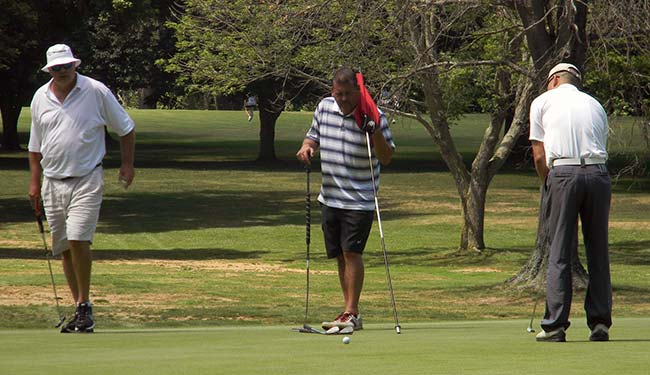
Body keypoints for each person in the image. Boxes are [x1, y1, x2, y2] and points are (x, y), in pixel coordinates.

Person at [28, 44, 136, 333]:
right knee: (63, 247)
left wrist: (127, 166)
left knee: (78, 238)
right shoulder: (40, 96)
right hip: (52, 181)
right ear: (49, 70)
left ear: (75, 65)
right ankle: (79, 308)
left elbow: (125, 128)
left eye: (66, 66)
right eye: (56, 68)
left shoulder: (95, 90)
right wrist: (34, 182)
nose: (62, 71)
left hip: (87, 177)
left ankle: (85, 304)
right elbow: (35, 147)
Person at [296, 67, 395, 331]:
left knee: (352, 252)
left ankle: (352, 312)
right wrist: (307, 147)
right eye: (338, 94)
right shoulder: (324, 107)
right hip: (329, 196)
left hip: (360, 197)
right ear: (332, 91)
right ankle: (347, 310)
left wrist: (373, 131)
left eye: (348, 94)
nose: (342, 100)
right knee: (340, 254)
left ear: (358, 91)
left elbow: (386, 157)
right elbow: (313, 136)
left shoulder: (374, 116)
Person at [529, 63, 612, 342]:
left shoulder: (542, 101)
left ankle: (555, 326)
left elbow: (539, 156)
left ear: (553, 80)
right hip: (599, 174)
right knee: (598, 250)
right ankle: (600, 323)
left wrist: (547, 183)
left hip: (563, 173)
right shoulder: (595, 104)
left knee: (560, 250)